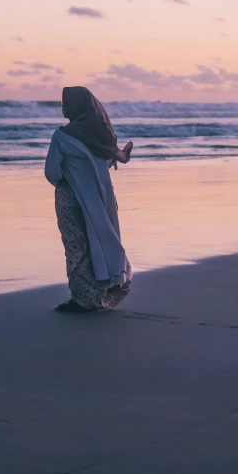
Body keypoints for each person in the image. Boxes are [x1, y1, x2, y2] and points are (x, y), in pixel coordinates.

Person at [45, 86, 133, 313]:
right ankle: (103, 291)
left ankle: (82, 298)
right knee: (101, 241)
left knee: (76, 246)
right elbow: (110, 161)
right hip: (101, 198)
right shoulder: (103, 136)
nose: (62, 107)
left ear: (75, 106)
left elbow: (52, 172)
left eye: (64, 103)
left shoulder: (62, 136)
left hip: (71, 197)